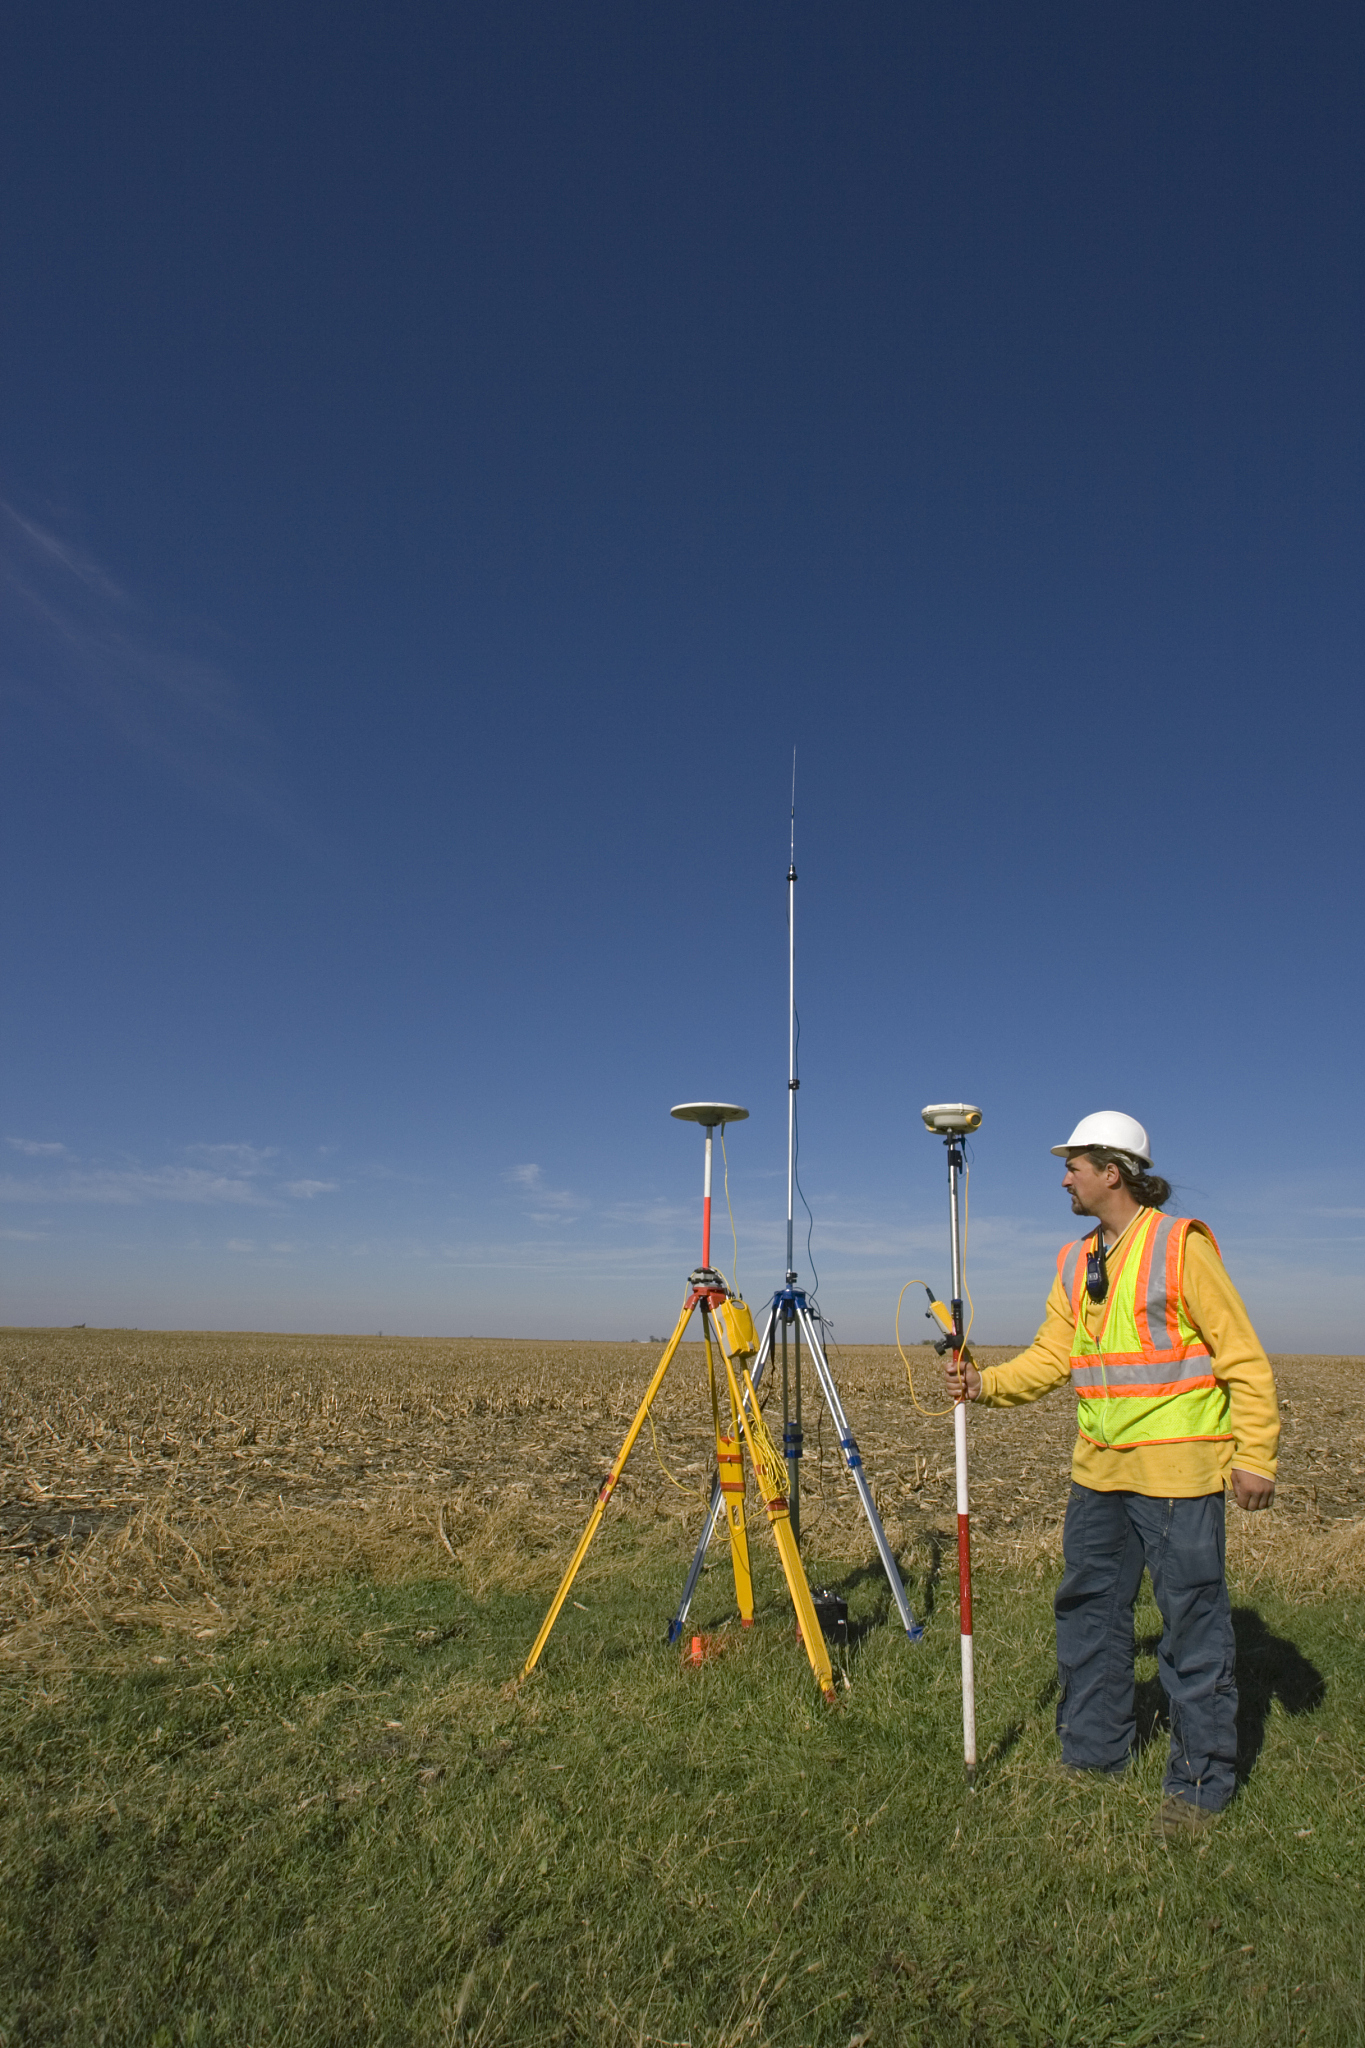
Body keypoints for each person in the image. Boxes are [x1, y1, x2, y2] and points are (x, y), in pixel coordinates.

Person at [944, 1111, 1279, 1839]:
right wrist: (983, 1384)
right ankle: (1093, 1754)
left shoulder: (1179, 1245)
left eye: (1073, 1166)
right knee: (1089, 1611)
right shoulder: (1076, 1259)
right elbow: (1051, 1355)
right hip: (1096, 1472)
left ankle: (1199, 1786)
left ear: (1112, 1172)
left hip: (1177, 1472)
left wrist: (1255, 1454)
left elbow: (1241, 1354)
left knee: (1191, 1626)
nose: (1064, 1179)